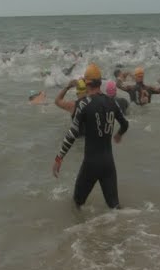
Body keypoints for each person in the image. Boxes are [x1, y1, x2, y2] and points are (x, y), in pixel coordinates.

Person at [52, 63, 129, 209]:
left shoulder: (83, 104)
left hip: (91, 164)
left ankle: (82, 230)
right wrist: (118, 135)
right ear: (100, 82)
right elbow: (125, 124)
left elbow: (72, 133)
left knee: (77, 203)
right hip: (108, 164)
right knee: (115, 206)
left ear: (87, 84)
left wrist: (59, 158)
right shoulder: (112, 102)